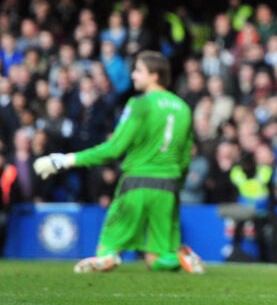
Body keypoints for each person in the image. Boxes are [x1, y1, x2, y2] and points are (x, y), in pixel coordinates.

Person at [33, 50, 206, 275]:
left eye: (139, 70)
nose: (133, 75)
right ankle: (179, 258)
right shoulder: (183, 107)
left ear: (155, 75)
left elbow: (114, 148)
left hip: (137, 182)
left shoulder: (140, 104)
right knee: (156, 259)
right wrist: (176, 187)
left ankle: (108, 257)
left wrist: (66, 160)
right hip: (168, 186)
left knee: (108, 246)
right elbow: (184, 157)